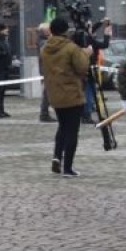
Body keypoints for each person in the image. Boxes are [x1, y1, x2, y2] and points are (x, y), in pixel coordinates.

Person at [40, 16, 90, 177]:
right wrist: (86, 54)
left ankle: (57, 157)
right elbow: (82, 68)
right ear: (65, 31)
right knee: (72, 131)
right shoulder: (71, 48)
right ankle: (68, 167)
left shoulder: (45, 48)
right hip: (72, 94)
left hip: (55, 94)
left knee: (62, 127)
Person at [36, 22, 56, 122]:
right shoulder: (43, 42)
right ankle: (44, 114)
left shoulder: (45, 41)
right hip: (47, 70)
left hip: (48, 70)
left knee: (49, 92)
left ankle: (45, 113)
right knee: (47, 93)